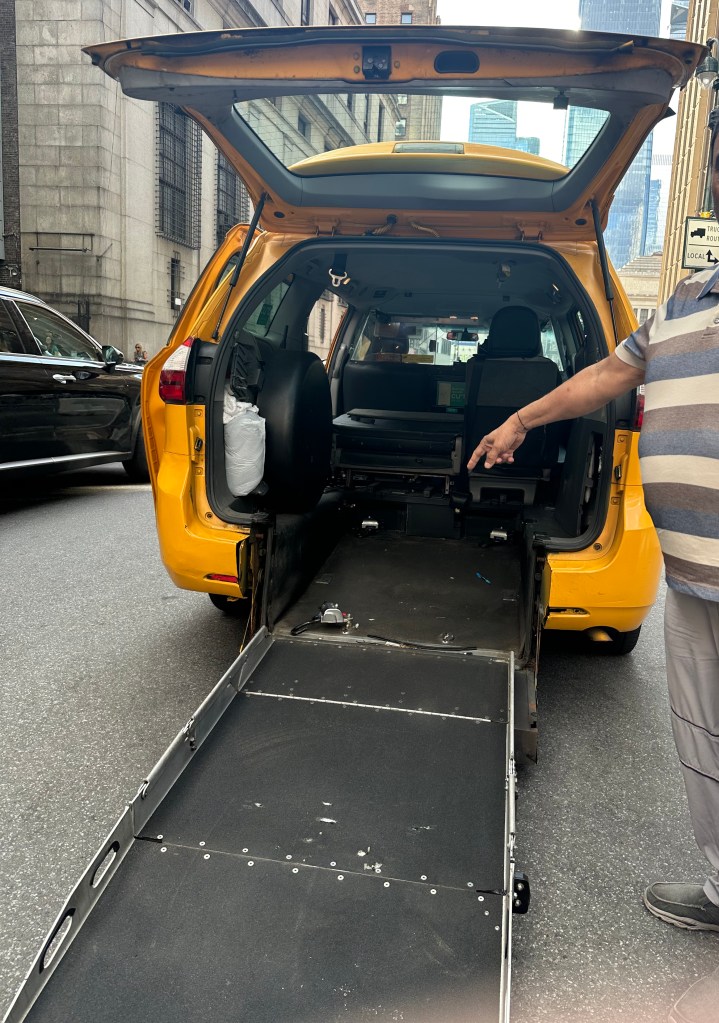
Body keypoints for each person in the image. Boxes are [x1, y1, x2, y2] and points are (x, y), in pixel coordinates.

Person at [468, 108, 719, 940]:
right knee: (701, 734)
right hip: (690, 574)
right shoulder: (680, 301)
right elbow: (604, 376)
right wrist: (517, 421)